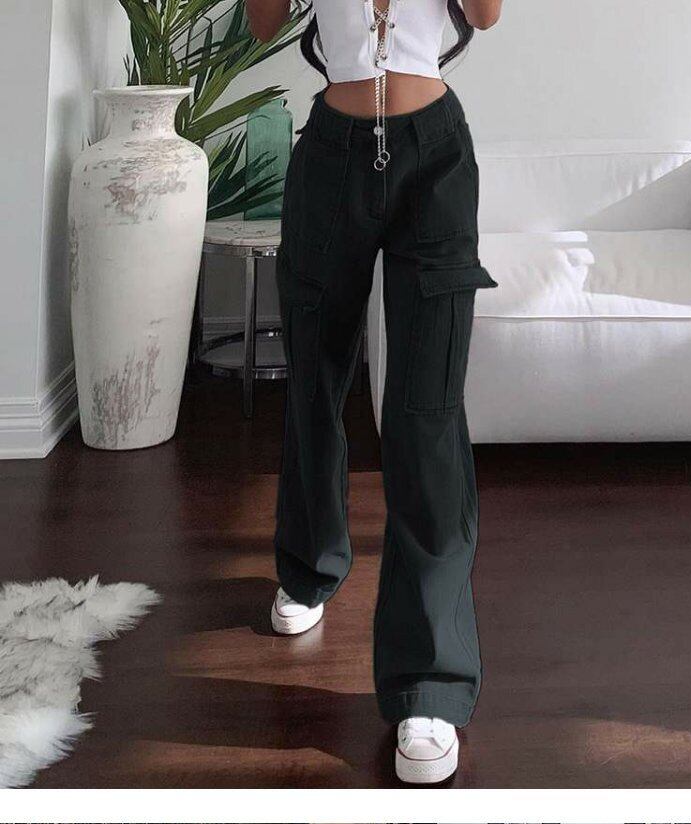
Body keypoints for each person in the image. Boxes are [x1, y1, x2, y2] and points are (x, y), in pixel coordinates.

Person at [246, 0, 503, 784]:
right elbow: (263, 24)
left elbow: (487, 14)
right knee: (315, 377)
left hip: (436, 156)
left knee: (427, 414)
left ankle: (429, 683)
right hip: (331, 153)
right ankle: (308, 565)